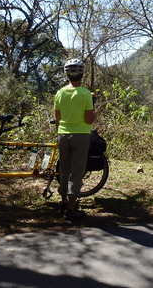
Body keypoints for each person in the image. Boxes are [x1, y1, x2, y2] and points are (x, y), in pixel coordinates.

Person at [54, 58, 95, 220]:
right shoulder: (85, 94)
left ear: (66, 75)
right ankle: (71, 209)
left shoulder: (60, 93)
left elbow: (57, 117)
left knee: (64, 170)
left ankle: (63, 201)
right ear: (82, 74)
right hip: (81, 136)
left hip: (63, 135)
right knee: (76, 172)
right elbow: (89, 120)